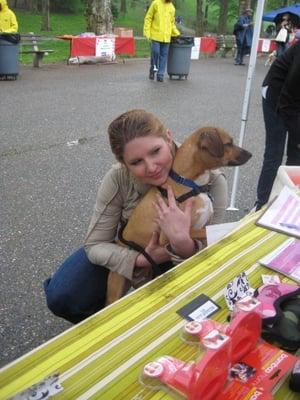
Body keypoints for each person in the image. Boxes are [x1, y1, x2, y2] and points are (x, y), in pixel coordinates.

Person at [44, 109, 228, 323]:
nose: (151, 167)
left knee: (180, 315)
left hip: (183, 258)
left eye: (156, 151)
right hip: (129, 248)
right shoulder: (118, 178)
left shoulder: (211, 180)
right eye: (136, 162)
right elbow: (94, 245)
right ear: (124, 164)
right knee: (64, 296)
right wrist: (140, 259)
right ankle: (106, 325)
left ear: (168, 138)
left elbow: (213, 246)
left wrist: (182, 245)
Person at [255, 40, 300, 211]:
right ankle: (262, 204)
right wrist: (297, 136)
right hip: (277, 94)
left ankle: (289, 205)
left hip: (294, 98)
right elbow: (287, 99)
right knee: (275, 152)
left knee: (297, 155)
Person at [143, 0, 180, 82]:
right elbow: (148, 18)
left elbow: (172, 23)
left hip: (166, 37)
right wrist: (146, 32)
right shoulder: (155, 3)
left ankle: (160, 74)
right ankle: (153, 69)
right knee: (155, 52)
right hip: (155, 35)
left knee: (164, 56)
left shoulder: (172, 8)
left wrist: (176, 33)